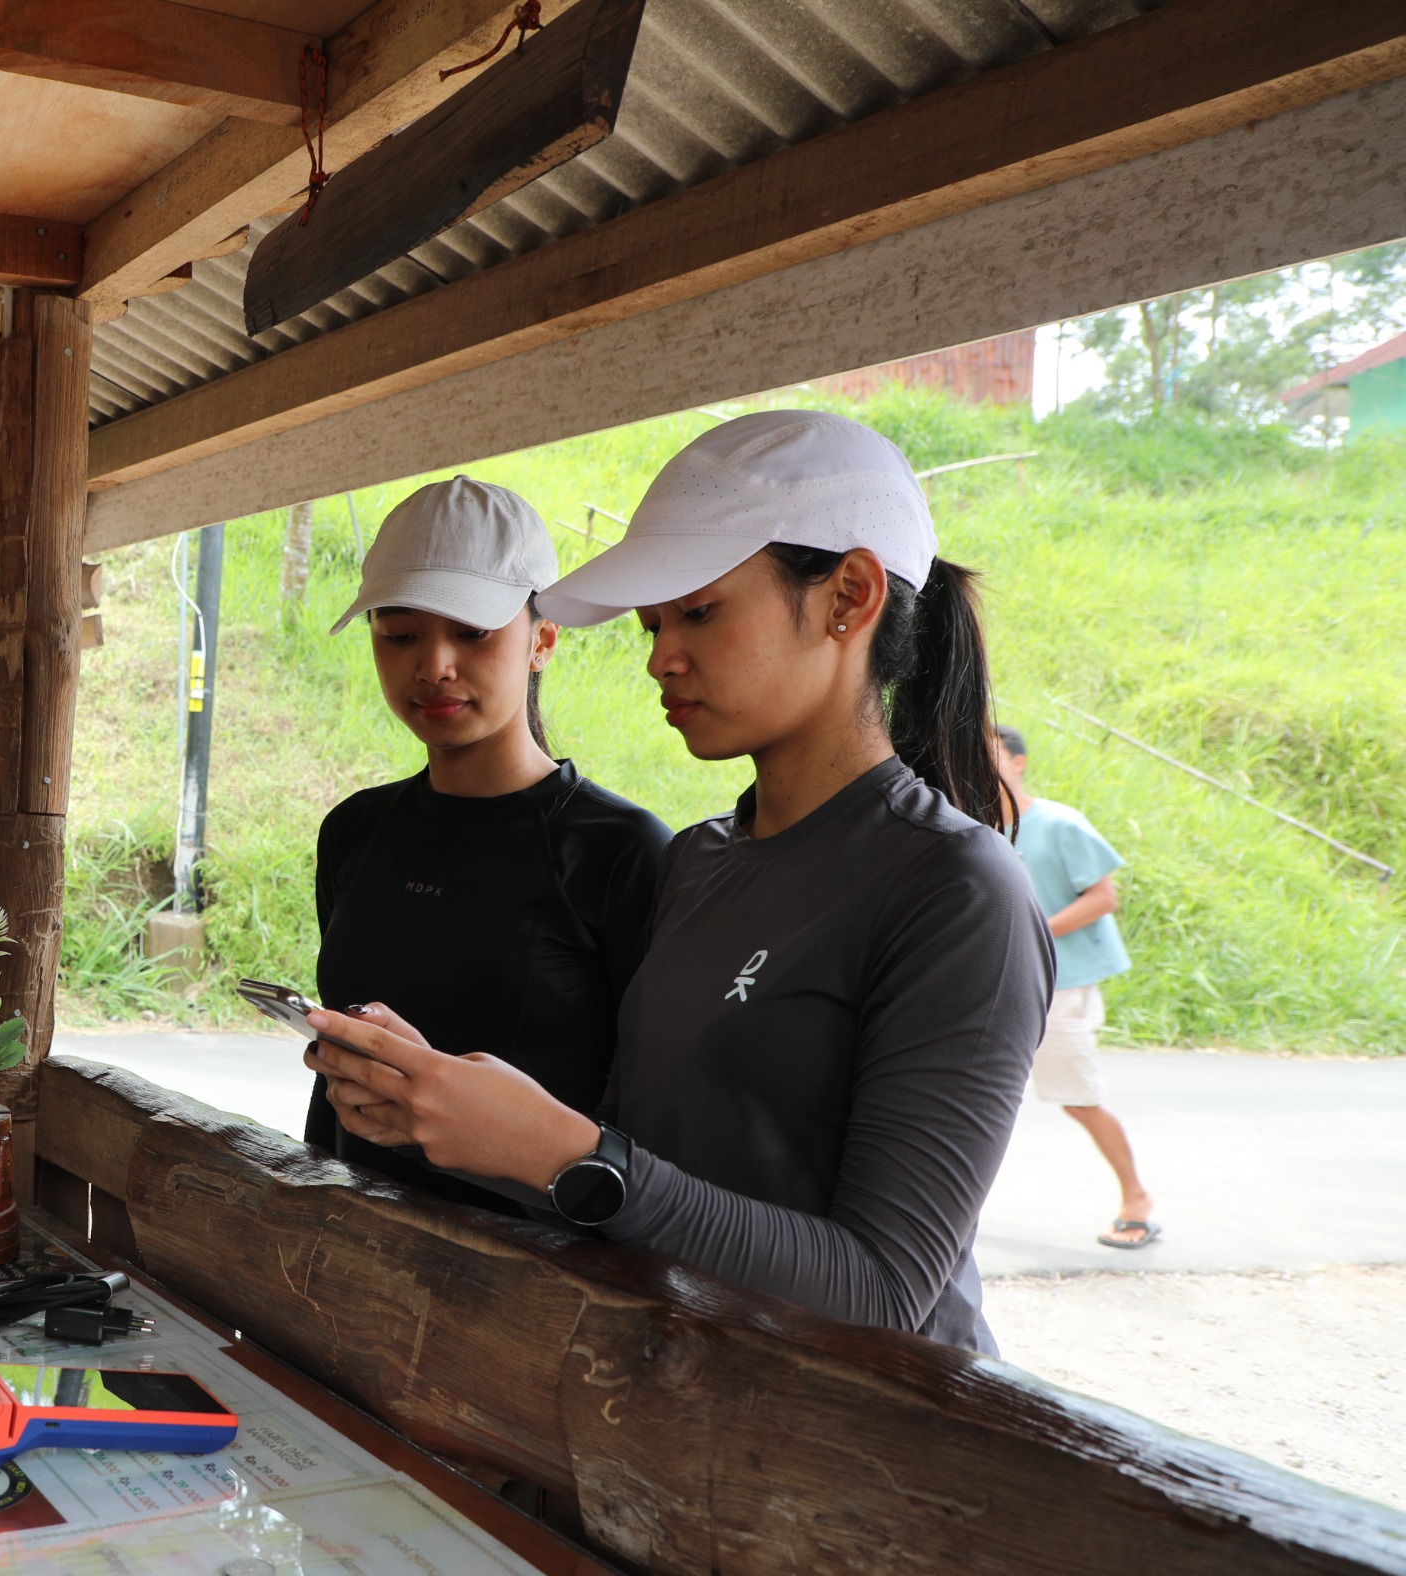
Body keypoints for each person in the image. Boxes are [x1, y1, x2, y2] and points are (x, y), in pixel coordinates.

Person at [305, 412, 1051, 1353]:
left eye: (698, 612)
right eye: (655, 624)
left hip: (860, 1454)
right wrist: (441, 1115)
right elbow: (644, 1182)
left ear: (848, 597)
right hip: (676, 1407)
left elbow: (882, 1292)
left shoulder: (955, 888)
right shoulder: (702, 858)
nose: (660, 654)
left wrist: (564, 1153)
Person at [302, 477, 673, 1214]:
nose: (433, 665)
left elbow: (651, 1130)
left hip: (532, 1278)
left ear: (542, 639)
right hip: (346, 1240)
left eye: (473, 632)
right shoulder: (355, 830)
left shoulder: (623, 852)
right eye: (399, 633)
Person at [993, 724, 1157, 1249]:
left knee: (1079, 1101)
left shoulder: (1060, 824)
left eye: (988, 752)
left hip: (1062, 988)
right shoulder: (977, 828)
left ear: (1018, 762)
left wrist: (1033, 929)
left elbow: (1103, 897)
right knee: (978, 1098)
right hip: (1001, 989)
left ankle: (1137, 1199)